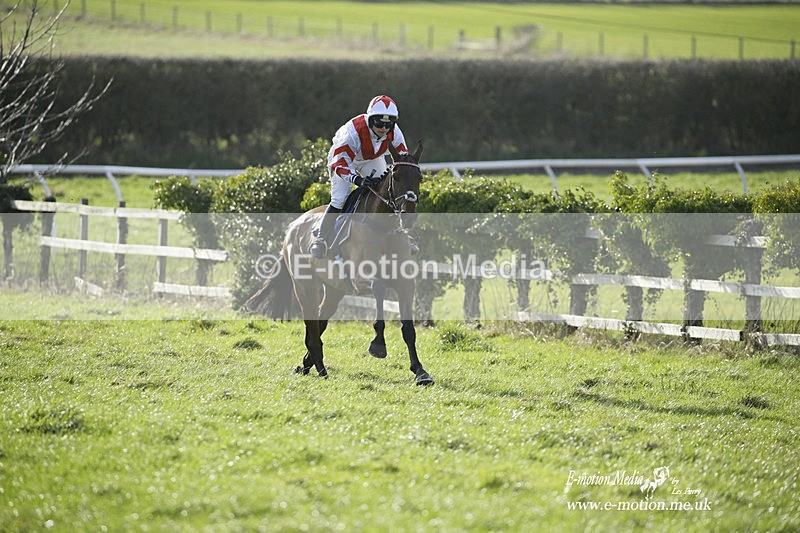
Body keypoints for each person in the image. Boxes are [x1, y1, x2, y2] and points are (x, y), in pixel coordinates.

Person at [309, 95, 410, 259]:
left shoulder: (395, 132)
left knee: (387, 191)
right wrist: (357, 179)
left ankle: (398, 232)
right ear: (370, 120)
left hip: (371, 158)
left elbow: (403, 158)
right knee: (340, 199)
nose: (384, 128)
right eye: (379, 122)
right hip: (345, 160)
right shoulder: (353, 133)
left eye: (388, 123)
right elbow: (339, 163)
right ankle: (320, 239)